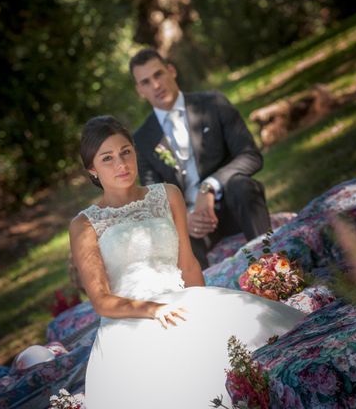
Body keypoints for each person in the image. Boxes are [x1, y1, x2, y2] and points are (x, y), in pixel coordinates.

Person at [69, 115, 304, 408]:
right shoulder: (85, 225)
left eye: (125, 152)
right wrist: (154, 310)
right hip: (131, 319)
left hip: (183, 299)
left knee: (248, 354)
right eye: (107, 158)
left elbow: (188, 263)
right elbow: (102, 301)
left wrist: (206, 308)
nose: (121, 164)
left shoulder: (167, 195)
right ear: (92, 169)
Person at [130, 48, 270, 268]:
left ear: (171, 70)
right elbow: (155, 197)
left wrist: (210, 186)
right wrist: (183, 218)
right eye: (146, 82)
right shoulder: (142, 139)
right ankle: (209, 296)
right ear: (140, 90)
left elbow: (251, 155)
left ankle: (272, 266)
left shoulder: (213, 103)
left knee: (243, 186)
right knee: (175, 234)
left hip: (233, 203)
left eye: (158, 74)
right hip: (194, 226)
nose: (156, 85)